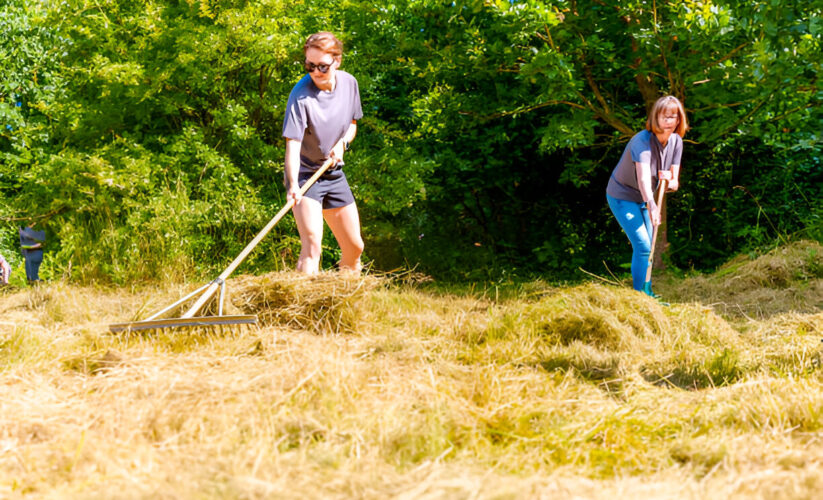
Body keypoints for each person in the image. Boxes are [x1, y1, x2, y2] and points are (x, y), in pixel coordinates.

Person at [282, 32, 364, 274]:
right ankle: (301, 310)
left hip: (333, 173)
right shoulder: (301, 96)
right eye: (309, 65)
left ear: (337, 61)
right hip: (306, 175)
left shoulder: (349, 84)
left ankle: (346, 304)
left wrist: (342, 144)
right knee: (312, 247)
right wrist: (293, 185)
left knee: (354, 247)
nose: (315, 72)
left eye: (322, 66)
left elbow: (352, 124)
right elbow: (293, 145)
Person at [606, 95, 688, 296]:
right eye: (664, 116)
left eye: (673, 117)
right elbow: (643, 179)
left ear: (679, 120)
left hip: (647, 197)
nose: (669, 121)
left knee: (650, 248)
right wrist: (651, 205)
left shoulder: (677, 142)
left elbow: (675, 183)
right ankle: (640, 296)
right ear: (655, 118)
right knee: (643, 245)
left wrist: (670, 180)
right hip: (623, 195)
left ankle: (647, 290)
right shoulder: (641, 141)